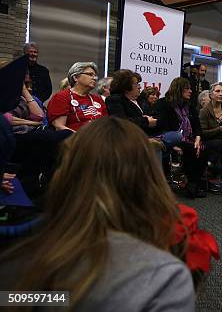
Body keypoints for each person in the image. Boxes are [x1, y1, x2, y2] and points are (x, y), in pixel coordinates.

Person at [0, 117, 196, 311]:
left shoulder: (15, 261)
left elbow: (51, 299)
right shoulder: (164, 278)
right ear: (149, 178)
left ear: (65, 173)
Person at [154, 77, 205, 198]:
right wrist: (175, 144)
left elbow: (197, 126)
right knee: (190, 149)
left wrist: (198, 139)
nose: (190, 91)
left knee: (200, 148)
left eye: (190, 89)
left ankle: (193, 184)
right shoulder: (163, 104)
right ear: (178, 90)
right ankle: (190, 184)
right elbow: (161, 128)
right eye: (187, 88)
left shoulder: (189, 106)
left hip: (188, 139)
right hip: (169, 138)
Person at [47, 62, 108, 132]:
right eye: (90, 74)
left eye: (95, 75)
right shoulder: (61, 97)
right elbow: (59, 126)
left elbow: (106, 124)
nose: (95, 78)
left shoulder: (97, 99)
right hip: (75, 140)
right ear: (76, 77)